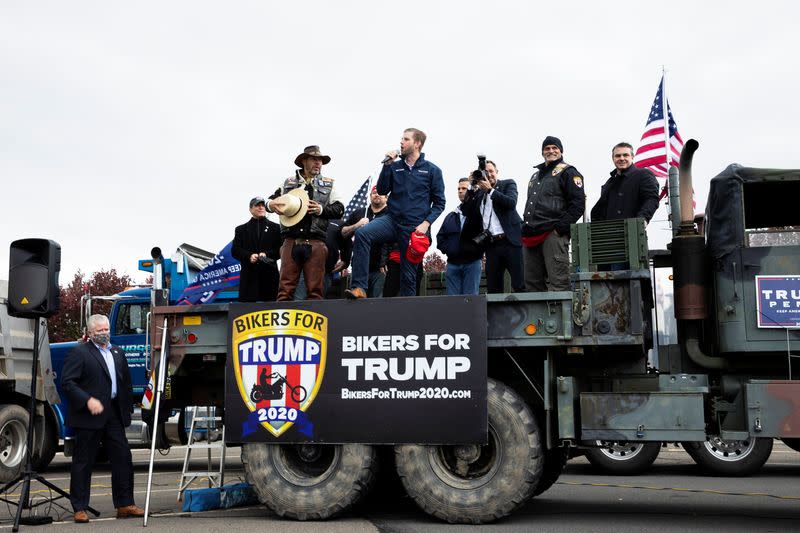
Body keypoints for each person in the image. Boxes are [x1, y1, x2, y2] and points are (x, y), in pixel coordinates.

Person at [60, 314, 143, 523]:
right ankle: (79, 507)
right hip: (89, 415)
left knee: (123, 458)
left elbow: (125, 383)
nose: (105, 333)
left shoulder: (117, 352)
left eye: (106, 329)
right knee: (83, 462)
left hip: (113, 414)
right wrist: (87, 400)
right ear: (90, 333)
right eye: (100, 331)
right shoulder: (79, 352)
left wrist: (128, 408)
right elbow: (68, 383)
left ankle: (124, 504)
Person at [346, 128, 446, 299]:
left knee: (408, 277)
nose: (401, 142)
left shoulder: (432, 170)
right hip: (392, 220)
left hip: (414, 228)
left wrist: (426, 224)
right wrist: (387, 166)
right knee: (362, 234)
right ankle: (359, 288)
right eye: (401, 138)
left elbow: (439, 203)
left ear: (417, 144)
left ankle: (409, 318)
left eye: (406, 139)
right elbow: (383, 189)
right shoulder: (395, 166)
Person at [267, 145, 344, 300]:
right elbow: (270, 201)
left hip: (316, 242)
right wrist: (271, 205)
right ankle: (284, 324)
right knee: (284, 290)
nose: (318, 163)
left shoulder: (330, 184)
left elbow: (340, 209)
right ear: (304, 161)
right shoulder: (288, 183)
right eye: (314, 159)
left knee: (315, 291)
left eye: (320, 160)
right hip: (290, 241)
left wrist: (321, 209)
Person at [522, 136, 586, 292]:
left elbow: (578, 204)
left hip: (553, 233)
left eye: (554, 148)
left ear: (561, 151)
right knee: (531, 284)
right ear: (542, 152)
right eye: (547, 148)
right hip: (531, 235)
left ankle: (562, 317)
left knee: (559, 282)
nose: (551, 151)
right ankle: (536, 317)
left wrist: (560, 229)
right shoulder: (535, 176)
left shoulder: (569, 172)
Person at [463, 160, 524, 293]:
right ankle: (497, 314)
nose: (489, 174)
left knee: (519, 284)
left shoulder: (508, 183)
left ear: (497, 172)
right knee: (493, 288)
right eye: (485, 172)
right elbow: (466, 210)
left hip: (511, 242)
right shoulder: (479, 194)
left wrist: (490, 190)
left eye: (491, 171)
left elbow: (511, 203)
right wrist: (471, 186)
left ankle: (524, 314)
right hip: (491, 245)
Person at [590, 142, 660, 223]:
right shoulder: (609, 183)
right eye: (618, 156)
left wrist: (641, 221)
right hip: (608, 232)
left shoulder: (643, 174)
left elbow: (651, 199)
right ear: (613, 158)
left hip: (632, 231)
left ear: (632, 157)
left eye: (625, 155)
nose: (622, 158)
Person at [436, 177, 484, 295]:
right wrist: (451, 249)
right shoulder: (451, 216)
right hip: (453, 265)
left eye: (464, 188)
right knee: (453, 304)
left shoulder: (480, 212)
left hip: (472, 263)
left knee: (470, 301)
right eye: (458, 188)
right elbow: (440, 238)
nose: (460, 191)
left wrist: (474, 249)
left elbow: (486, 233)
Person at [341, 186, 389, 297]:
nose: (377, 195)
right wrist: (356, 225)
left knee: (377, 304)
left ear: (386, 198)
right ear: (370, 196)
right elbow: (343, 233)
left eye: (380, 193)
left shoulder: (390, 215)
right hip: (358, 269)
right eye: (374, 193)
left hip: (380, 269)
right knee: (357, 304)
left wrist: (386, 261)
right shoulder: (359, 213)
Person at [231, 196, 281, 302]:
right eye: (257, 205)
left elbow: (281, 250)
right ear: (250, 209)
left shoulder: (276, 228)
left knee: (271, 310)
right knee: (247, 312)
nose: (261, 207)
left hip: (270, 278)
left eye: (263, 205)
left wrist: (267, 254)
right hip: (249, 279)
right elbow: (235, 250)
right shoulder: (241, 230)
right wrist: (249, 256)